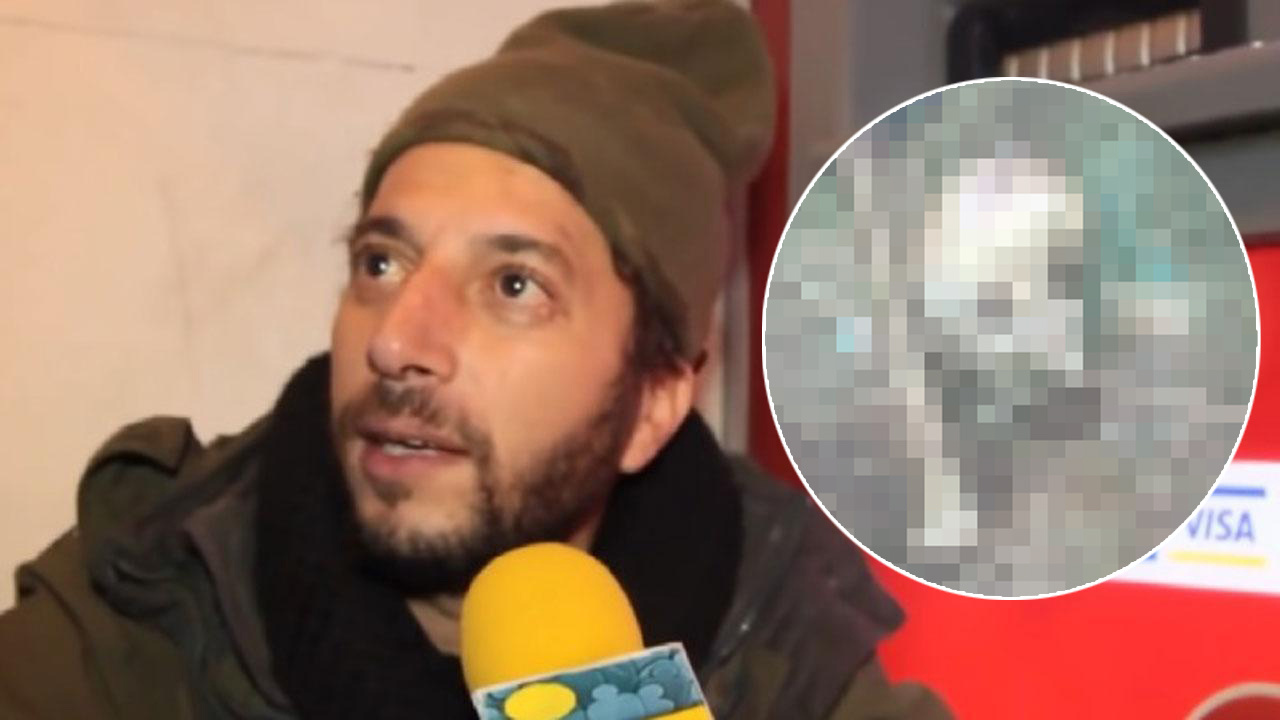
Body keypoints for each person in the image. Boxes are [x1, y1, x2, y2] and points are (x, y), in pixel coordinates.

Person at [0, 1, 951, 718]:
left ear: (655, 401)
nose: (396, 341)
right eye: (382, 262)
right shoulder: (127, 628)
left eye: (514, 285)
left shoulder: (794, 661)